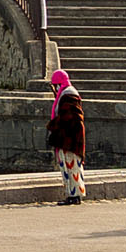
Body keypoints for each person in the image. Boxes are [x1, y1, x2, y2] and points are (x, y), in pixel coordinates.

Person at [46, 69, 85, 205]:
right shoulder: (68, 94)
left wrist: (53, 126)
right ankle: (73, 195)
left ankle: (73, 196)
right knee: (71, 166)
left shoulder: (68, 95)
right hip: (70, 138)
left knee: (71, 166)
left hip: (69, 139)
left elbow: (69, 118)